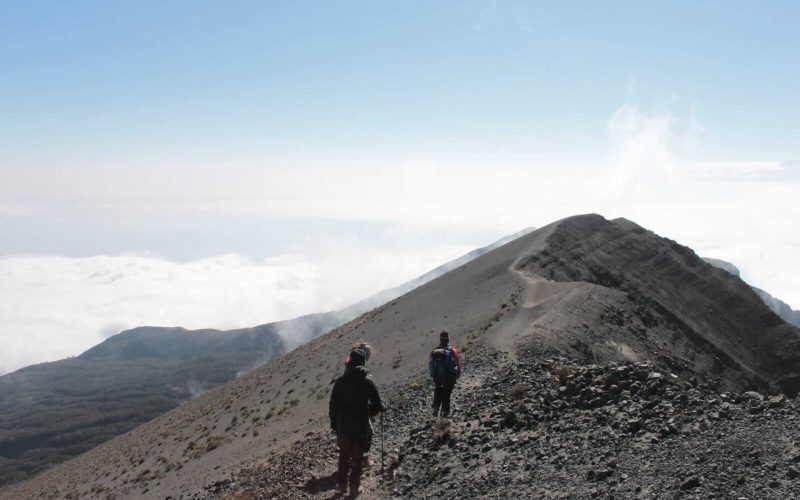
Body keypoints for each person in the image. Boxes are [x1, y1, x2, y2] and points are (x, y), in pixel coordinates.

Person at [329, 348, 384, 497]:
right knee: (357, 458)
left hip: (342, 423)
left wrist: (334, 423)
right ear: (363, 362)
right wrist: (370, 413)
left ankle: (341, 486)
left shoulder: (340, 381)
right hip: (360, 422)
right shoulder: (367, 381)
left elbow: (333, 405)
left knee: (344, 455)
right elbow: (377, 404)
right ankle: (354, 489)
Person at [429, 330, 461, 418]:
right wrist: (457, 374)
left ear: (440, 339)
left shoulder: (434, 351)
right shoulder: (452, 351)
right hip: (449, 377)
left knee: (438, 391)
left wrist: (433, 375)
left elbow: (431, 364)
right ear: (448, 339)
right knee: (446, 395)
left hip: (438, 378)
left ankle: (436, 407)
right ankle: (444, 414)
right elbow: (457, 363)